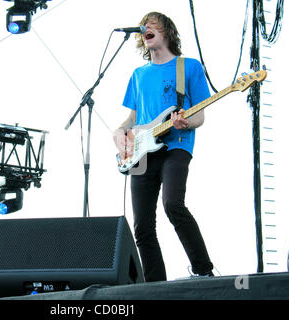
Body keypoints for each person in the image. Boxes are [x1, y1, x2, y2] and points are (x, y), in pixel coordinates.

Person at [113, 12, 214, 281]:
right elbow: (133, 119)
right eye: (144, 26)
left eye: (153, 25)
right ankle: (155, 287)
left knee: (173, 204)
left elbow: (199, 115)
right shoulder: (138, 74)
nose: (146, 28)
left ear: (167, 31)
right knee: (142, 225)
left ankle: (203, 271)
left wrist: (186, 122)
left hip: (176, 146)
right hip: (139, 153)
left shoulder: (188, 67)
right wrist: (120, 132)